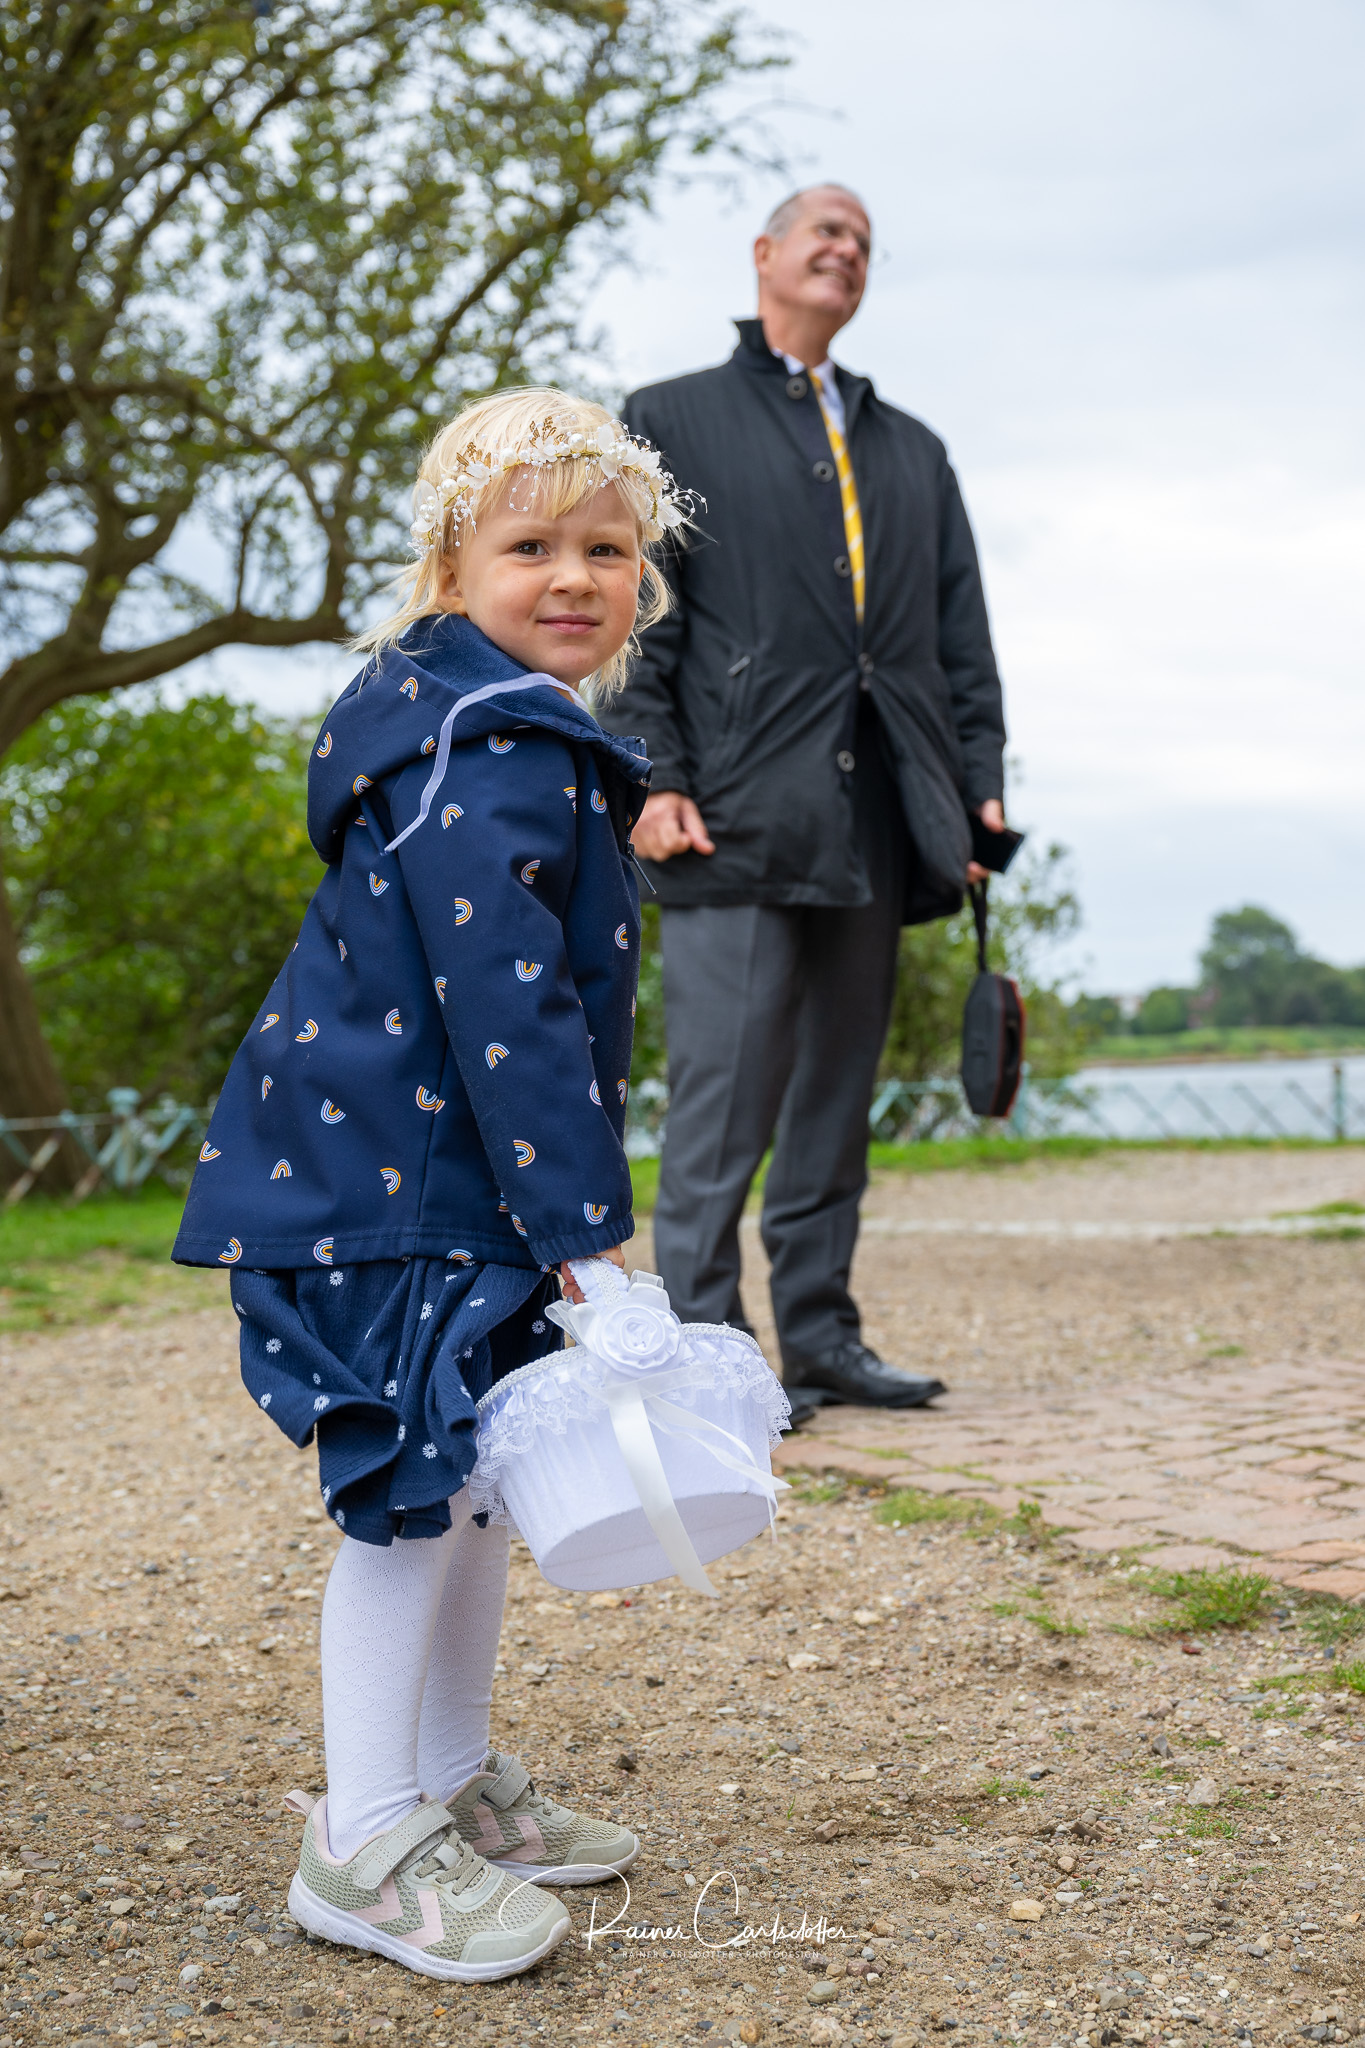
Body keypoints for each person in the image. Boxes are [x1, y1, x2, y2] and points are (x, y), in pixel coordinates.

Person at [173, 388, 688, 1983]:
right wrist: (596, 1238)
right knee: (413, 1500)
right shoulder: (482, 741)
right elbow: (506, 1006)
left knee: (477, 1486)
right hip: (390, 1190)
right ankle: (364, 1836)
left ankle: (450, 1778)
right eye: (527, 543)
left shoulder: (505, 724)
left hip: (445, 1184)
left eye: (606, 547)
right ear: (450, 564)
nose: (572, 576)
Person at [601, 184, 1010, 1426]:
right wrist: (651, 778)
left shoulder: (912, 449)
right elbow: (639, 618)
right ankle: (707, 1360)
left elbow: (959, 638)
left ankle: (824, 1340)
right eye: (824, 230)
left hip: (881, 813)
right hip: (730, 810)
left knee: (836, 1101)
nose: (846, 248)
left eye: (865, 240)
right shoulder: (667, 420)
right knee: (721, 1106)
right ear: (767, 255)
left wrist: (976, 788)